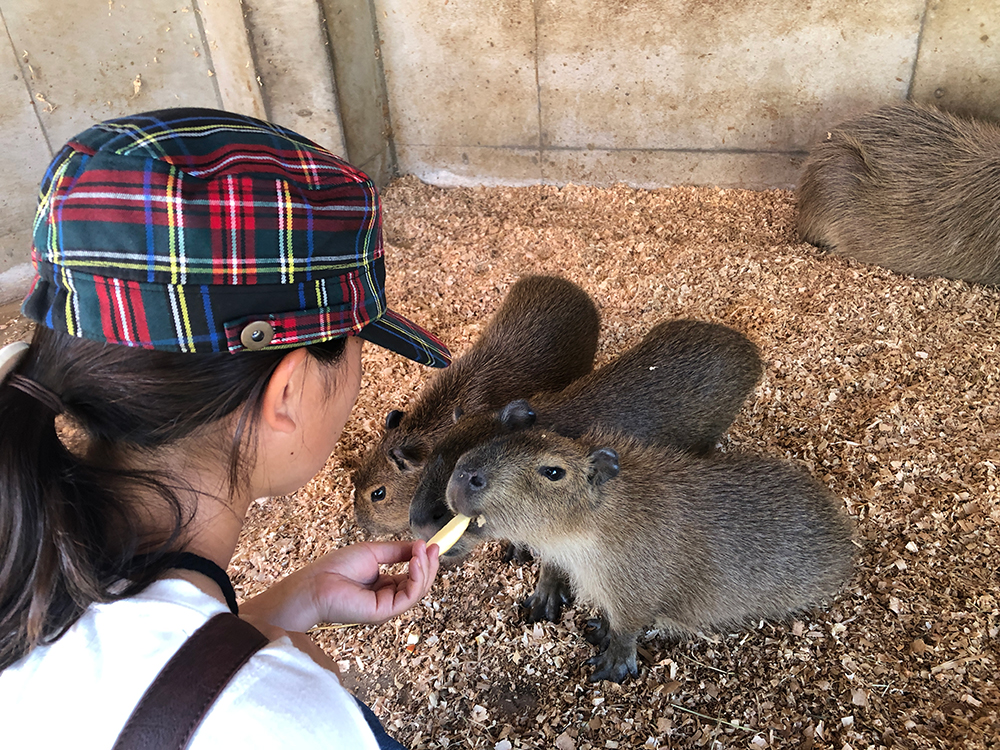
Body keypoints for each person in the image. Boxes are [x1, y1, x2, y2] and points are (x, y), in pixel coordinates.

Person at [0, 108, 451, 748]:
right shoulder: (285, 725)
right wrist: (275, 670)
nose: (358, 376)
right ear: (288, 390)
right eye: (356, 343)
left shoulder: (23, 551)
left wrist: (277, 612)